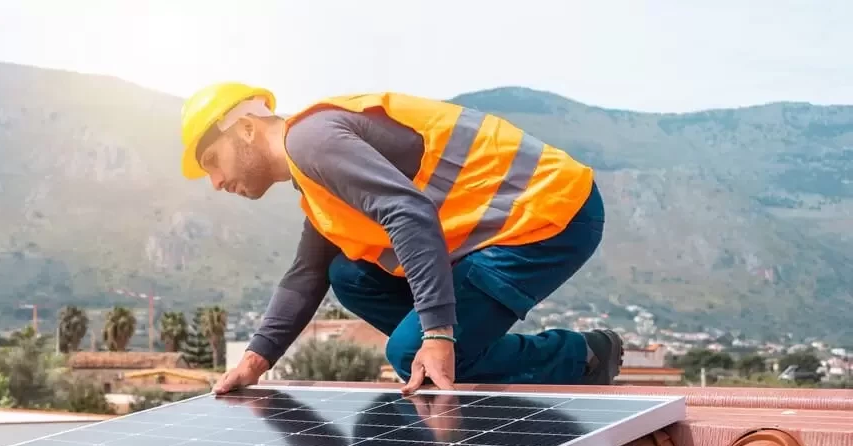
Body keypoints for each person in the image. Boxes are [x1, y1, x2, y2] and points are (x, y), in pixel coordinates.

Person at [178, 83, 624, 395]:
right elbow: (306, 275)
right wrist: (255, 362)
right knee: (347, 274)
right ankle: (455, 352)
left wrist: (437, 334)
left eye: (214, 160)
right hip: (500, 230)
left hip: (548, 213)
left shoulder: (311, 140)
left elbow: (407, 213)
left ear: (249, 129)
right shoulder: (312, 174)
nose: (215, 181)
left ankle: (582, 356)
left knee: (415, 349)